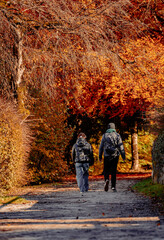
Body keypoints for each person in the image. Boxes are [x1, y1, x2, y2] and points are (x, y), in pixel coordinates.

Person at [99, 123, 125, 192]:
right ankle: (113, 187)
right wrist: (123, 156)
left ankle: (106, 179)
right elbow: (121, 146)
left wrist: (100, 156)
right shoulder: (117, 135)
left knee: (106, 170)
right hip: (115, 155)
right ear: (114, 128)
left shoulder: (104, 135)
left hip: (106, 155)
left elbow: (101, 147)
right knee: (113, 171)